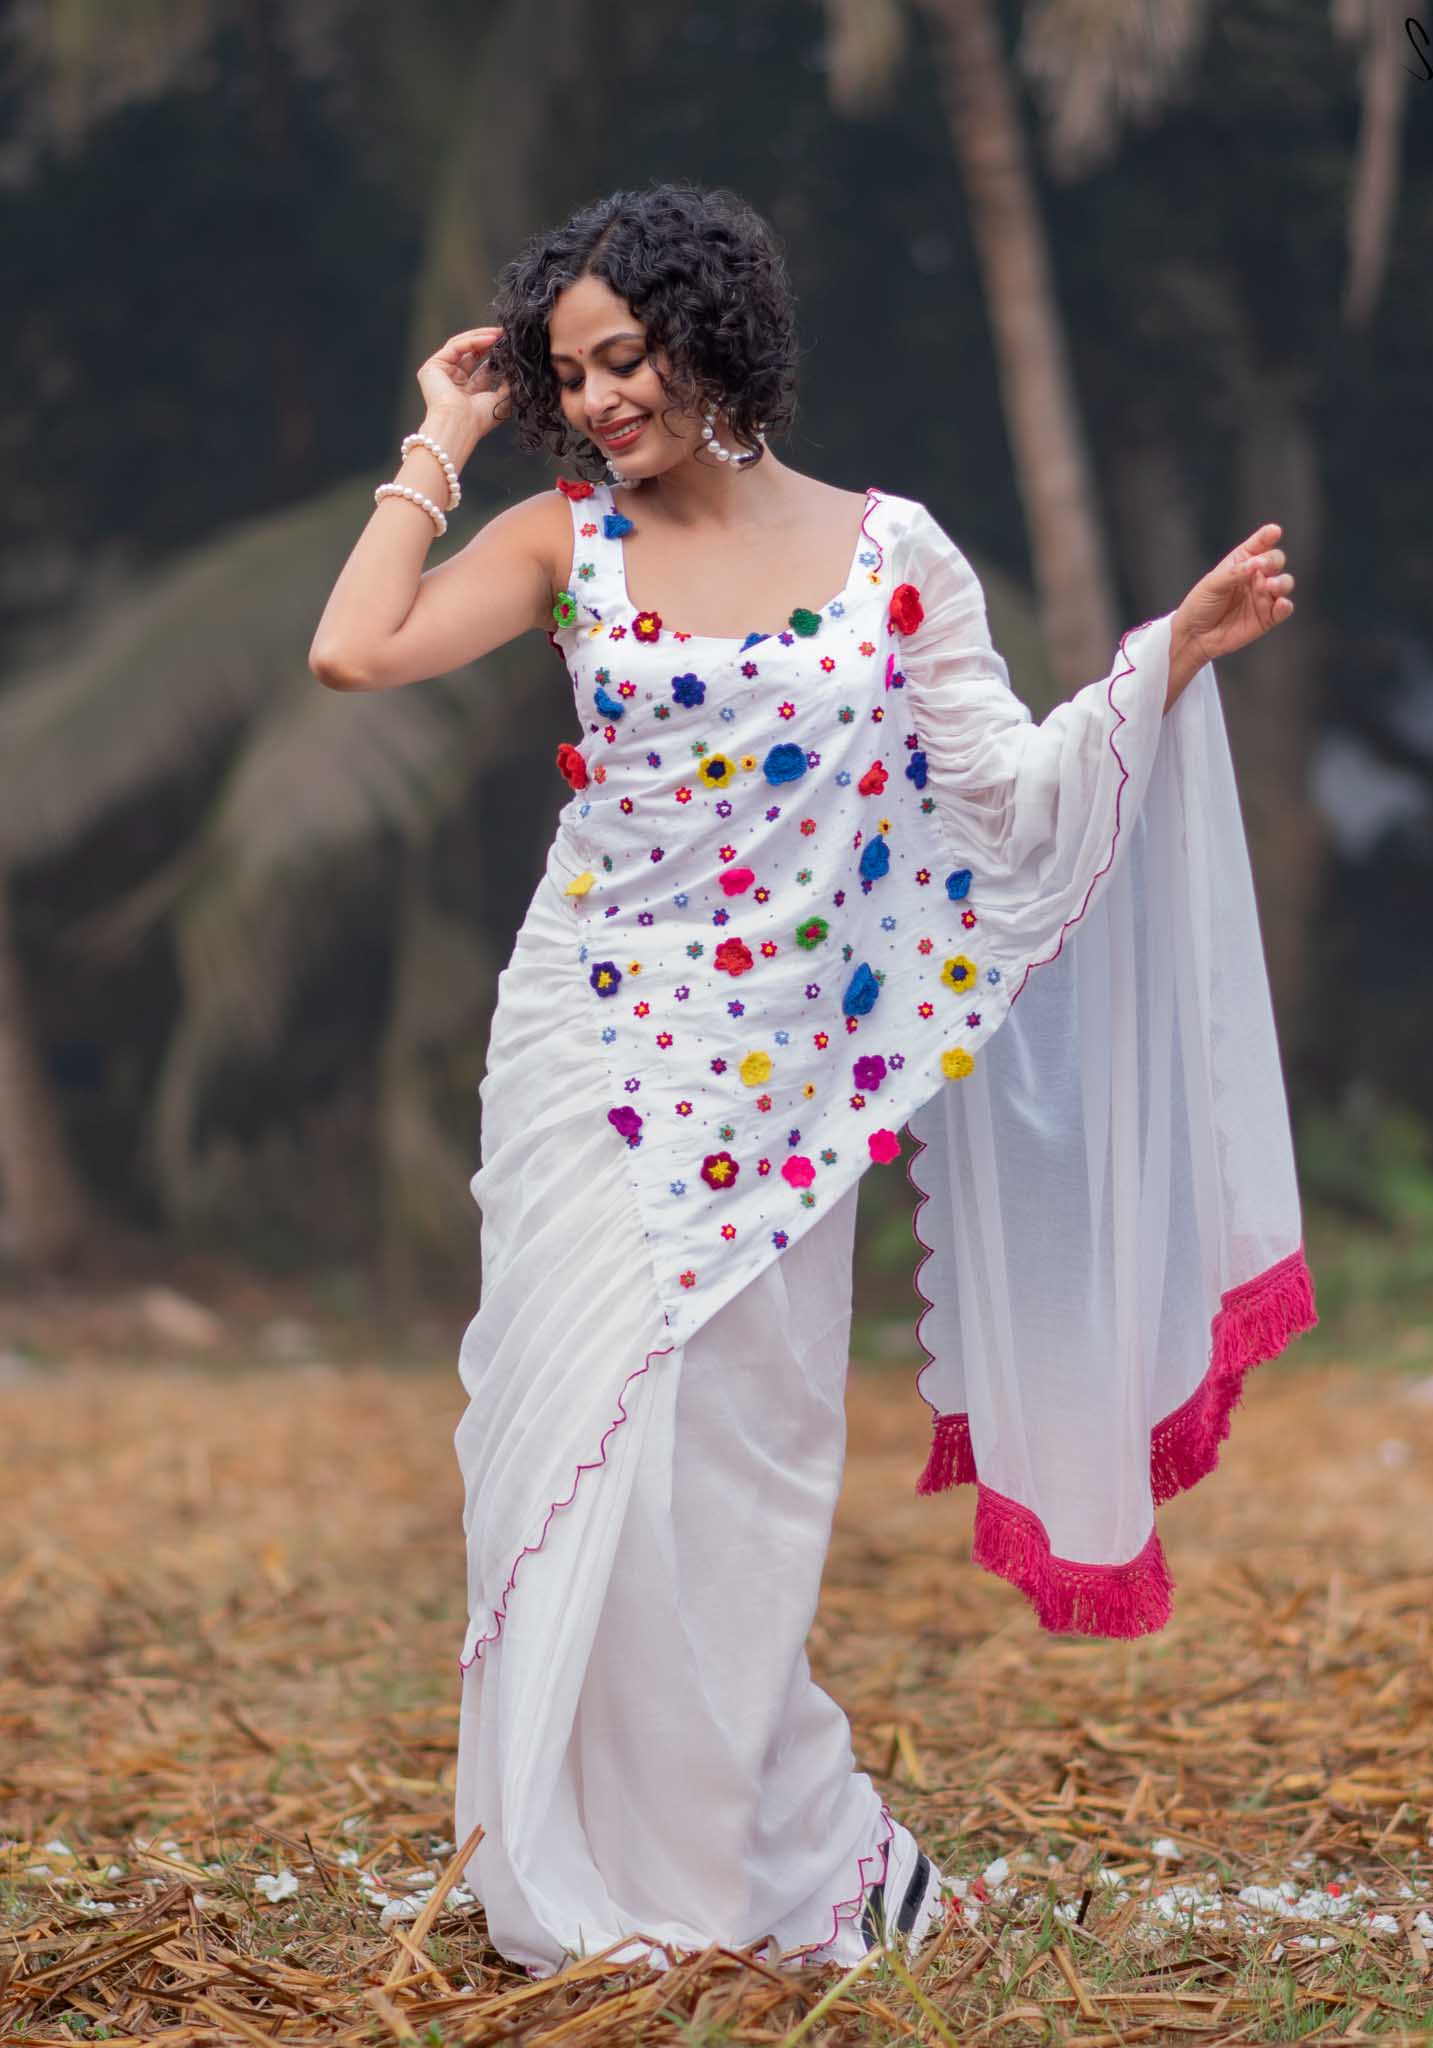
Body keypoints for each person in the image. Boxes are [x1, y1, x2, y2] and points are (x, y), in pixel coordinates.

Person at [308, 179, 1315, 1980]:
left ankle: (766, 1852)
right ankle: (568, 1851)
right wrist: (440, 437)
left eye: (628, 356)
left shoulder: (893, 554)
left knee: (742, 1472)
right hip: (593, 1051)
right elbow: (354, 649)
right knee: (561, 1446)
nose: (603, 398)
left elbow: (1008, 795)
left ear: (717, 332)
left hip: (788, 1084)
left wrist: (1169, 655)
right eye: (571, 373)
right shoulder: (562, 542)